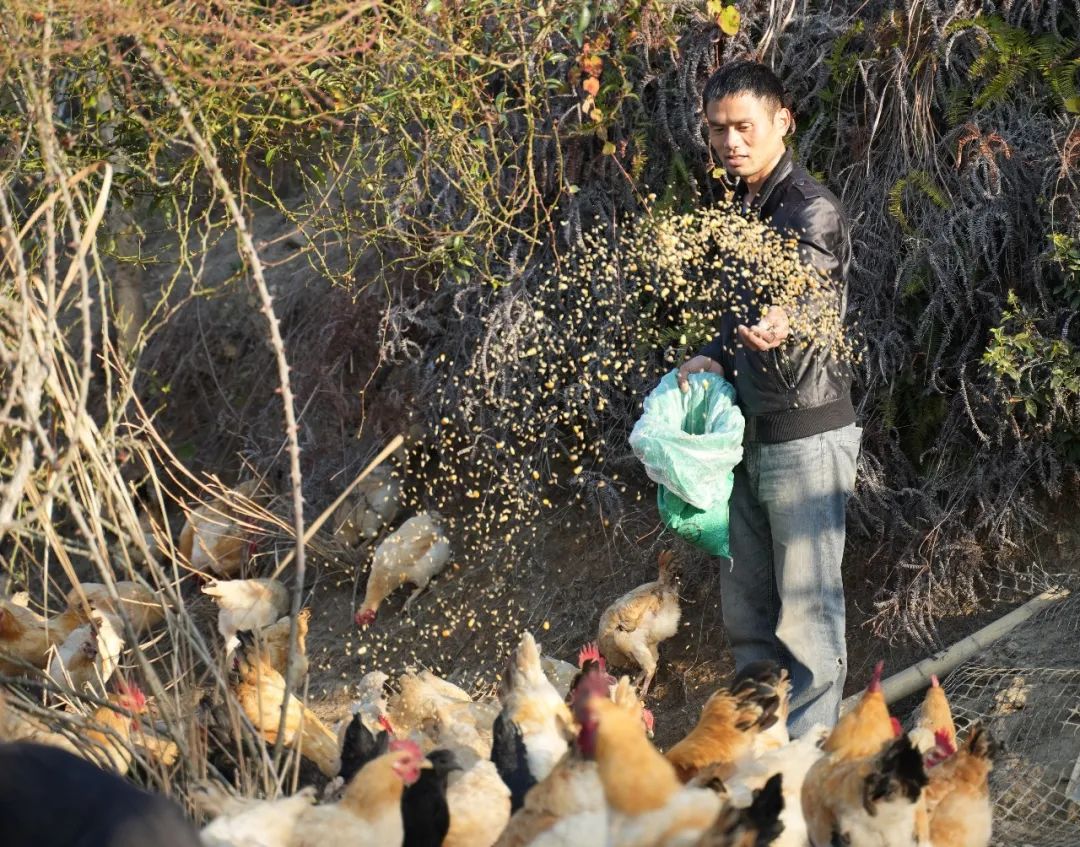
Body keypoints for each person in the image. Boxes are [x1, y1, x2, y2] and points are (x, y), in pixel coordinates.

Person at [677, 60, 861, 735]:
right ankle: (755, 754)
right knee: (747, 611)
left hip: (806, 437)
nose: (730, 142)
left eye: (744, 126)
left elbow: (807, 282)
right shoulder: (734, 205)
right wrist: (714, 354)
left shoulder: (810, 206)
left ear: (783, 121)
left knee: (809, 614)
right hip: (747, 436)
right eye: (718, 129)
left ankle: (808, 763)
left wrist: (783, 320)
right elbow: (738, 318)